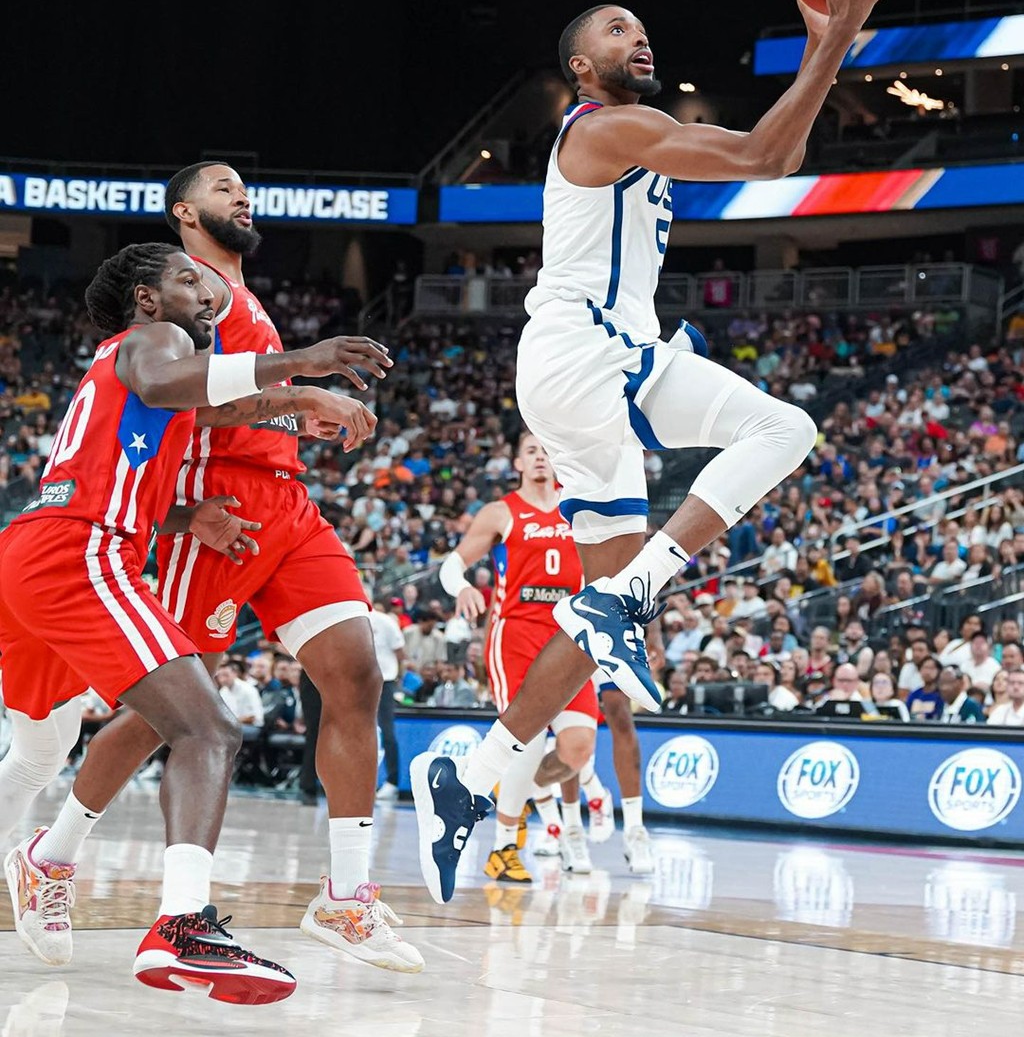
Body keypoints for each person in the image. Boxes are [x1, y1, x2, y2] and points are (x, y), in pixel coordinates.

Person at [412, 0, 895, 902]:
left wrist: (826, 43)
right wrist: (837, 33)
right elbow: (763, 154)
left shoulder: (636, 129)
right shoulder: (604, 126)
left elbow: (785, 152)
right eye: (614, 29)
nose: (638, 35)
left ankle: (473, 776)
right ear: (580, 67)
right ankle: (624, 597)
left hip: (579, 368)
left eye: (639, 25)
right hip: (589, 350)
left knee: (602, 617)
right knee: (786, 432)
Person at [22, 165, 422, 975]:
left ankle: (346, 898)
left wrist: (297, 421)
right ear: (184, 212)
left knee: (355, 672)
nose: (241, 197)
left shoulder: (237, 296)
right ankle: (52, 855)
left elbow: (235, 409)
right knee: (177, 708)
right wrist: (305, 393)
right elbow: (187, 402)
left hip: (288, 503)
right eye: (222, 188)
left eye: (244, 187)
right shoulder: (186, 301)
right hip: (219, 508)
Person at [438, 432, 626, 883]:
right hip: (516, 635)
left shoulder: (578, 506)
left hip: (569, 634)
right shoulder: (501, 511)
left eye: (546, 451)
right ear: (518, 463)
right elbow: (452, 563)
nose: (540, 457)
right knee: (527, 737)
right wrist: (461, 587)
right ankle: (504, 846)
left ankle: (525, 789)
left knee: (578, 748)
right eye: (531, 452)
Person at [365, 585, 406, 802]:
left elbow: (400, 653)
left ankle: (392, 781)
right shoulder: (347, 623)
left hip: (385, 681)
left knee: (387, 731)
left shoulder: (385, 622)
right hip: (359, 683)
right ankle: (359, 781)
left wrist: (398, 678)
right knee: (357, 731)